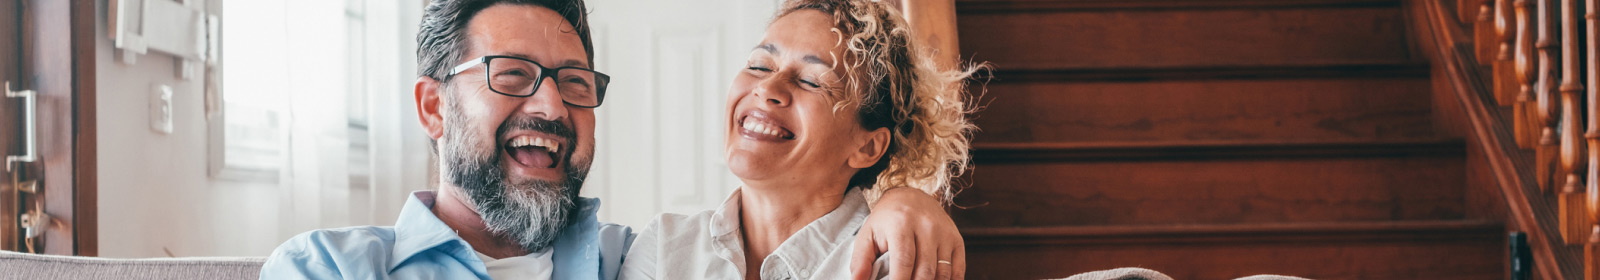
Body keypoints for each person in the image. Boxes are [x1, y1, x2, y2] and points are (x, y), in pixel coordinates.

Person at [258, 0, 965, 279]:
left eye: (572, 81)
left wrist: (904, 201)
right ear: (433, 107)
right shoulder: (326, 270)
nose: (549, 106)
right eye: (512, 75)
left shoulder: (624, 261)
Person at [618, 0, 982, 279]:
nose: (767, 88)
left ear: (867, 146)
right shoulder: (664, 248)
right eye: (759, 65)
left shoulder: (893, 263)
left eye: (811, 81)